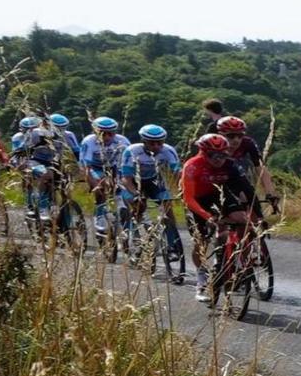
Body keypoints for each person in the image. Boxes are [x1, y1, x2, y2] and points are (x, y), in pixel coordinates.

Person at [178, 133, 258, 302]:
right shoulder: (192, 166)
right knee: (201, 242)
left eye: (223, 153)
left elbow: (246, 189)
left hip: (219, 195)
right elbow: (189, 198)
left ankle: (240, 259)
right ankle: (201, 281)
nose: (219, 159)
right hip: (197, 201)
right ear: (203, 153)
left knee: (242, 219)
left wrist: (256, 214)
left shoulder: (230, 164)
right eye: (214, 155)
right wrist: (207, 217)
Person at [116, 125, 186, 270]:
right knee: (139, 206)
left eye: (159, 143)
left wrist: (180, 190)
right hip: (132, 182)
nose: (156, 146)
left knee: (168, 209)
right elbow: (126, 178)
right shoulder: (132, 151)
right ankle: (135, 240)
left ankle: (172, 247)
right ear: (144, 141)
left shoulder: (169, 151)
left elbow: (178, 174)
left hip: (152, 182)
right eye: (151, 143)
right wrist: (135, 194)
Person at [76, 118, 130, 233]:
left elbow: (128, 163)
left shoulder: (122, 141)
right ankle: (99, 215)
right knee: (102, 184)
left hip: (114, 167)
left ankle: (120, 203)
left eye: (111, 133)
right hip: (95, 168)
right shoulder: (89, 142)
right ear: (95, 132)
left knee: (121, 184)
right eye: (102, 133)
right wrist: (95, 186)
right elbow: (86, 167)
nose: (107, 137)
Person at [212, 115, 275, 203]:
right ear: (220, 135)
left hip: (234, 175)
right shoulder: (212, 146)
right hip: (213, 178)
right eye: (231, 136)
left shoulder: (247, 143)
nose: (236, 140)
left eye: (240, 135)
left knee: (251, 200)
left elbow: (260, 167)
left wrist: (270, 192)